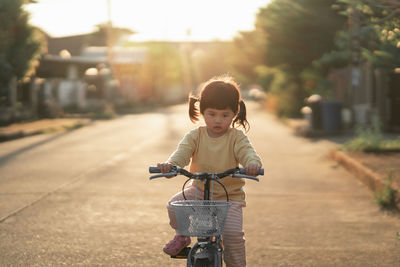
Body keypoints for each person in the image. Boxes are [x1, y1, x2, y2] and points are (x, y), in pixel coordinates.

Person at [157, 75, 262, 267]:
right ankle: (182, 236)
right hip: (197, 191)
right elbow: (181, 154)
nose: (218, 120)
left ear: (235, 114)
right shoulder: (195, 135)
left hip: (229, 197)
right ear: (202, 111)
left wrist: (252, 165)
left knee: (233, 238)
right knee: (174, 205)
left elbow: (248, 153)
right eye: (212, 114)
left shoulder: (236, 138)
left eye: (225, 115)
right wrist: (171, 165)